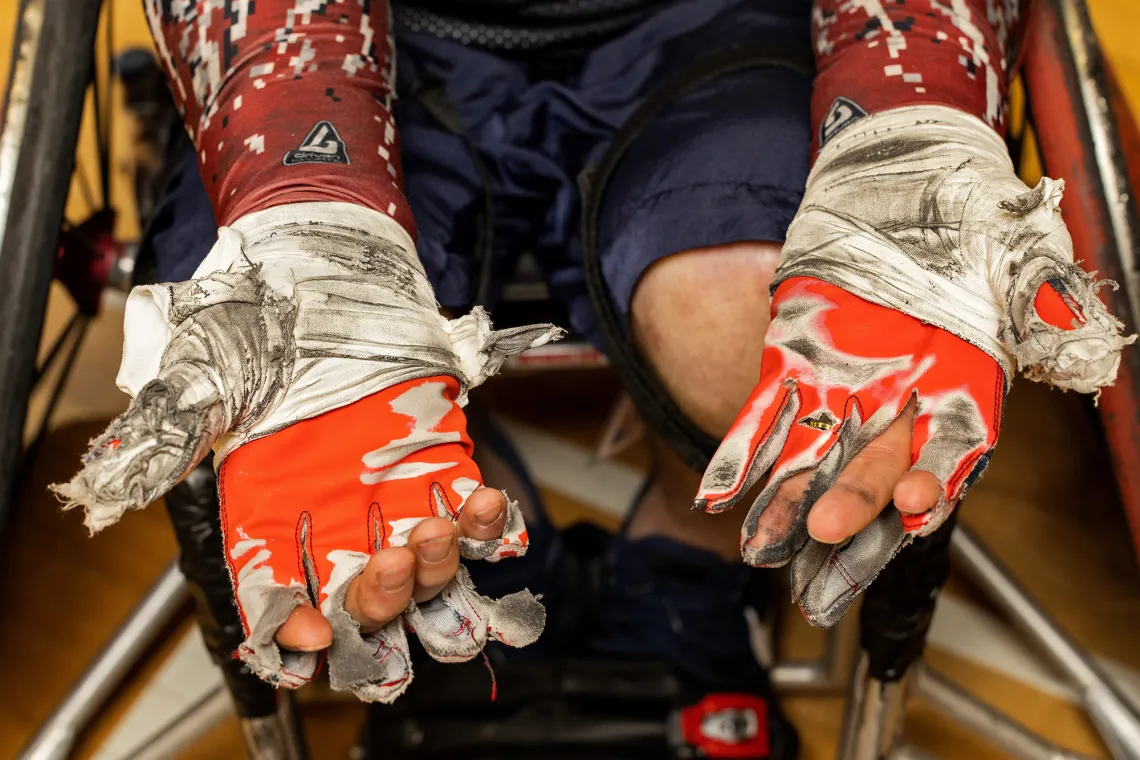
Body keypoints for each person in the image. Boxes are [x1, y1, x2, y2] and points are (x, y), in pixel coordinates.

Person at [54, 1, 1131, 757]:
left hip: (714, 20)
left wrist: (911, 112)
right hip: (366, 34)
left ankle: (690, 555)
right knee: (282, 345)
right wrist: (303, 186)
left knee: (771, 321)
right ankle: (483, 513)